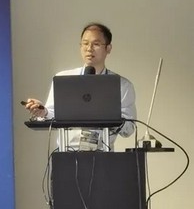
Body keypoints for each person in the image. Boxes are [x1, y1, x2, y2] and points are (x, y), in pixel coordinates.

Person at [24, 22, 137, 151]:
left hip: (103, 154)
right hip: (66, 153)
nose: (89, 48)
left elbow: (129, 129)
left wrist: (110, 116)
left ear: (108, 48)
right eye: (85, 43)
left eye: (96, 44)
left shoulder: (122, 85)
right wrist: (42, 111)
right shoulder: (63, 79)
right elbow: (52, 114)